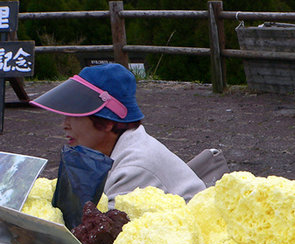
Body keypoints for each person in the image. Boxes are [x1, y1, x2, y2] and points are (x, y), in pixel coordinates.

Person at [30, 63, 205, 206]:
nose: (65, 124)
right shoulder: (105, 151)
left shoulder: (135, 168)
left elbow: (104, 233)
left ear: (107, 122)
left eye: (75, 115)